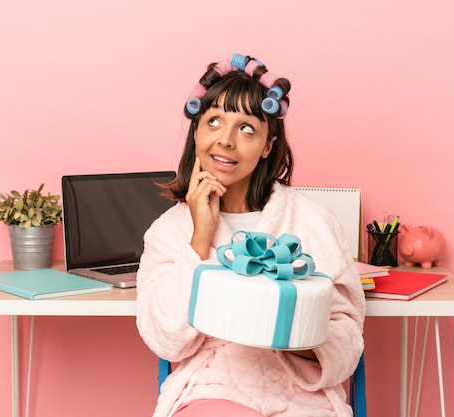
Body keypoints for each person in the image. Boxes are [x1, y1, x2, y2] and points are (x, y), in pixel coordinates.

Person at [136, 53, 366, 417]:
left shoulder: (312, 220)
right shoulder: (169, 230)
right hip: (213, 388)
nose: (226, 141)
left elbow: (347, 338)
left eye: (246, 129)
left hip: (299, 395)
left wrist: (287, 333)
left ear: (267, 146)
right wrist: (200, 236)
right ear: (196, 132)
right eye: (213, 122)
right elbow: (165, 339)